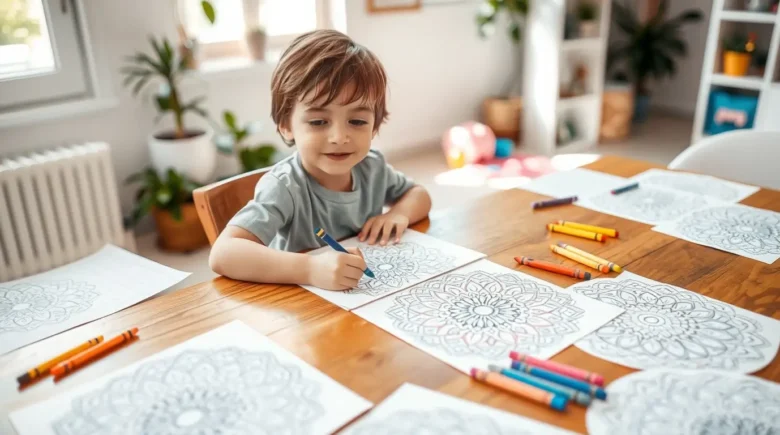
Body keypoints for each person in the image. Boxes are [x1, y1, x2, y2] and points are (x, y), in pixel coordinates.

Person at [209, 30, 432, 291]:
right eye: (318, 122)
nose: (339, 137)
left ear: (375, 126)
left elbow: (420, 194)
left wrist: (398, 214)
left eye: (357, 121)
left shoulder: (372, 167)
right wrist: (311, 269)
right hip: (302, 307)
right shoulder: (284, 187)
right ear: (286, 126)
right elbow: (223, 253)